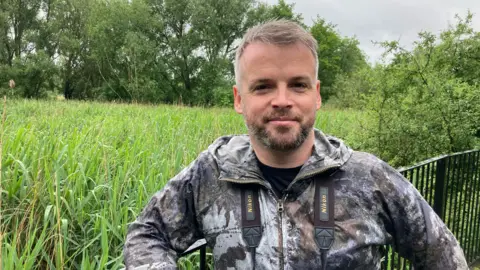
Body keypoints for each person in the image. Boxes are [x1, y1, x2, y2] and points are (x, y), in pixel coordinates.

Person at [123, 20, 468, 269]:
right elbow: (147, 233)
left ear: (316, 95)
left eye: (298, 85)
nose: (282, 100)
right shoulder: (212, 172)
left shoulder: (370, 178)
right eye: (263, 86)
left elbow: (443, 256)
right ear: (238, 99)